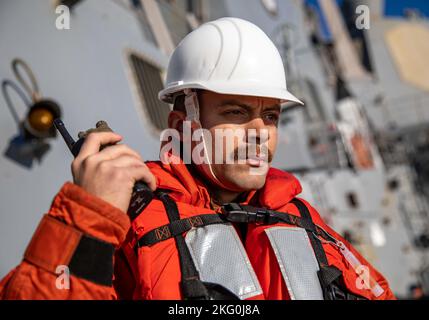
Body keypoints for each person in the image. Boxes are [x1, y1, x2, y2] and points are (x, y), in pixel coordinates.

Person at [0, 17, 395, 300]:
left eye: (270, 116)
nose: (260, 132)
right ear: (183, 123)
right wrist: (89, 217)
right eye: (235, 112)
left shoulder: (307, 222)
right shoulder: (125, 221)